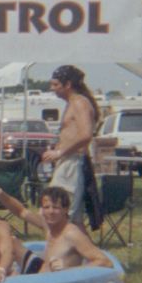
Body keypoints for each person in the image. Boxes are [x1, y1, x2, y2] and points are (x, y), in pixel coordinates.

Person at [0, 177, 111, 270]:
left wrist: (70, 271)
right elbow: (21, 211)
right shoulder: (48, 225)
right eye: (46, 207)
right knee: (11, 242)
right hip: (40, 273)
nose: (50, 212)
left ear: (65, 209)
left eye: (56, 208)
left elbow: (104, 261)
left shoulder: (72, 234)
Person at [41, 65, 100, 233]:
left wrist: (60, 152)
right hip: (68, 161)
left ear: (68, 85)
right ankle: (89, 250)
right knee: (74, 220)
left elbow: (86, 135)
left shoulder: (80, 103)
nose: (52, 88)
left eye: (55, 85)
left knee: (57, 212)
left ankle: (61, 247)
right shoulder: (71, 103)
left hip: (72, 163)